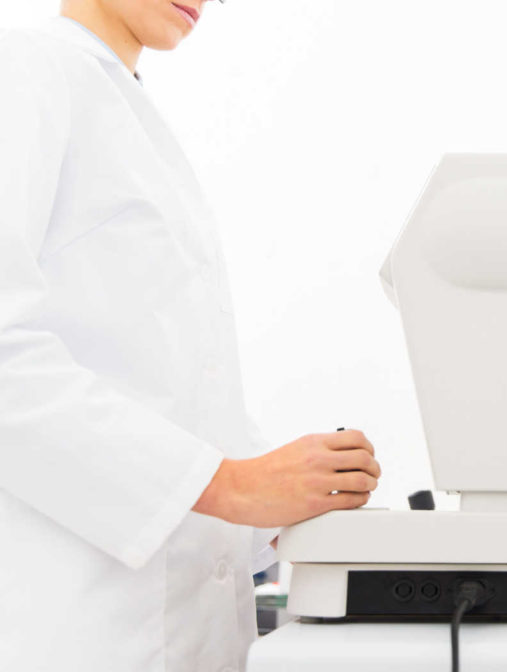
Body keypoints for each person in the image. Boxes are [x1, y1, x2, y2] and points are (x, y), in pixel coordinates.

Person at [0, 1, 381, 670]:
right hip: (79, 632)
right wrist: (229, 486)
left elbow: (169, 396)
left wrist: (289, 505)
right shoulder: (29, 71)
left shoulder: (122, 111)